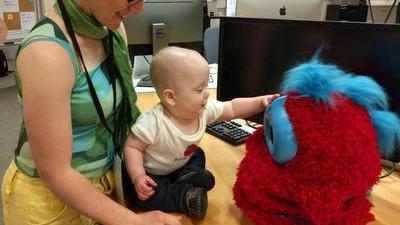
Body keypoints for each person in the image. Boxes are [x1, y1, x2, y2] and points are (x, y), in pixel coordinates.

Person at [1, 0, 182, 225]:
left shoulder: (110, 29)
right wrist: (135, 221)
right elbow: (55, 173)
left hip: (101, 186)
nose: (138, 9)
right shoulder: (46, 52)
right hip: (48, 203)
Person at [122, 46, 280, 219]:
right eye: (199, 90)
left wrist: (260, 102)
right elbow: (132, 147)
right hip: (151, 173)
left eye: (207, 85)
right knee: (143, 197)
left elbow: (232, 107)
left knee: (197, 153)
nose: (206, 94)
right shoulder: (153, 122)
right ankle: (185, 198)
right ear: (171, 97)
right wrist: (138, 176)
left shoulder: (203, 110)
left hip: (178, 162)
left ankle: (187, 177)